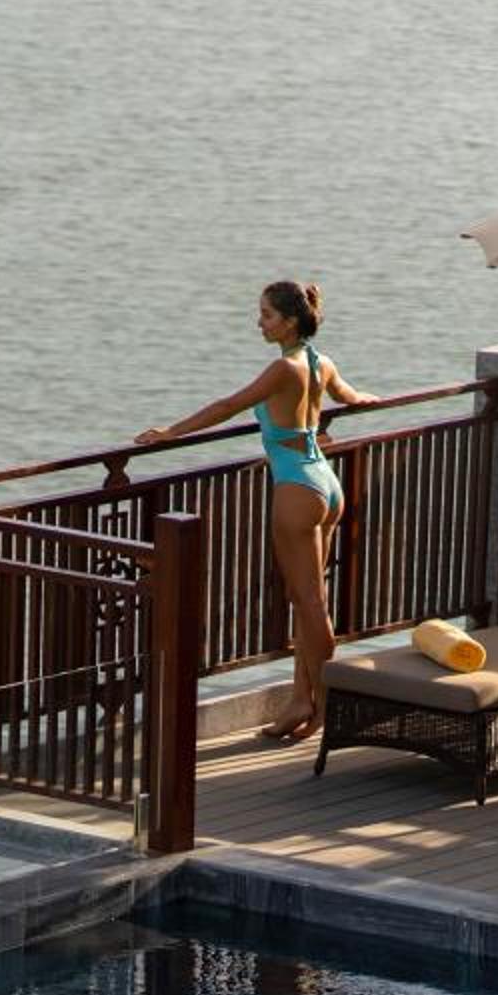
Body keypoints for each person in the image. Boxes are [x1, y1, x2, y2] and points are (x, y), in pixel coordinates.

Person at [135, 280, 368, 743]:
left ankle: (327, 707)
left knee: (310, 603)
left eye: (266, 315)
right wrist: (368, 400)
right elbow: (350, 396)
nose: (259, 322)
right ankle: (301, 700)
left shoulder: (283, 368)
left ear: (289, 321)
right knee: (307, 600)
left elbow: (229, 406)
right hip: (325, 483)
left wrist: (171, 433)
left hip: (297, 487)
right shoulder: (320, 363)